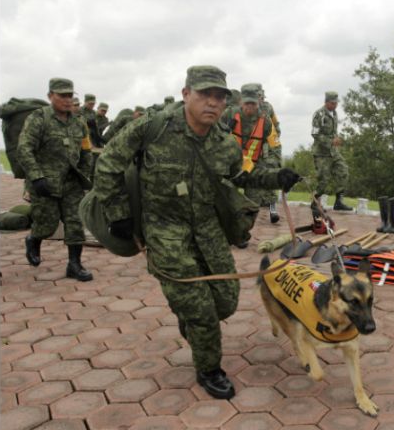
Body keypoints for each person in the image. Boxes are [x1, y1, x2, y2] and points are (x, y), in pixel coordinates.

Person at [92, 65, 301, 399]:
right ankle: (209, 368)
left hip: (208, 230)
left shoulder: (224, 144)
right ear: (186, 93)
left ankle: (190, 319)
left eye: (220, 97)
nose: (213, 103)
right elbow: (108, 163)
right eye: (205, 94)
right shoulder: (153, 128)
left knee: (226, 302)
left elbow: (239, 178)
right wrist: (119, 213)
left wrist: (276, 179)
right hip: (164, 231)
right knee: (202, 312)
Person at [17, 78, 94, 281]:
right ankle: (33, 239)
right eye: (62, 95)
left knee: (76, 223)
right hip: (45, 183)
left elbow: (86, 151)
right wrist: (36, 176)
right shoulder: (38, 118)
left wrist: (84, 173)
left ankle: (74, 265)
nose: (67, 100)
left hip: (71, 183)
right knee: (47, 224)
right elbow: (24, 149)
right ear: (50, 96)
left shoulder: (79, 123)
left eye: (70, 95)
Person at [228, 84, 283, 223]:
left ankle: (243, 231)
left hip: (253, 165)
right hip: (230, 164)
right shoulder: (229, 114)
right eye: (247, 103)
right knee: (225, 198)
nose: (250, 107)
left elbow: (275, 146)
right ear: (241, 101)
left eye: (253, 103)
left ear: (258, 101)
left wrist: (273, 163)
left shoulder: (265, 121)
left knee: (252, 203)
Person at [311, 91, 352, 210]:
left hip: (333, 152)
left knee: (343, 171)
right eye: (333, 103)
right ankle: (315, 202)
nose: (335, 105)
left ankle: (339, 202)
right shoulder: (319, 114)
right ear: (327, 102)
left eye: (336, 103)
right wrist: (330, 142)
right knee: (323, 179)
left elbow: (333, 132)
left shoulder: (334, 114)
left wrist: (336, 139)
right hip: (321, 153)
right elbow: (315, 133)